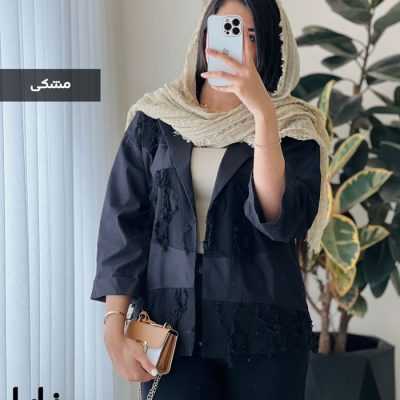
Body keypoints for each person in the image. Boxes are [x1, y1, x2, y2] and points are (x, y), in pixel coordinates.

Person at [90, 0, 332, 399]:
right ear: (204, 38)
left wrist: (263, 115)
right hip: (169, 328)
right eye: (228, 29)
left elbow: (280, 219)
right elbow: (124, 222)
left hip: (265, 333)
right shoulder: (158, 117)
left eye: (252, 36)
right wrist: (113, 325)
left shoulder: (293, 125)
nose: (240, 46)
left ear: (273, 45)